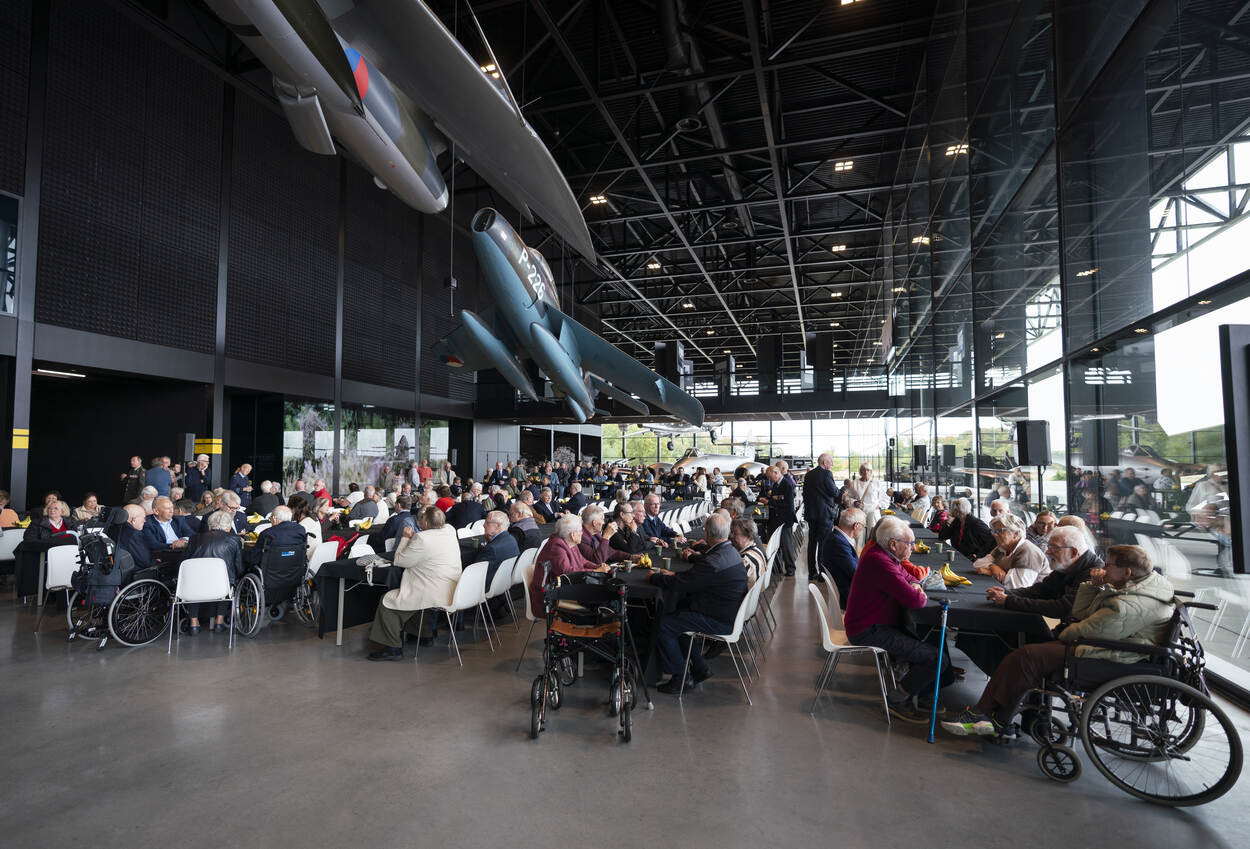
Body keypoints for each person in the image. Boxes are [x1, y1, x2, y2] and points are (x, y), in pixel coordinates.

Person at [943, 545, 1175, 739]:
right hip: (1112, 644)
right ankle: (997, 719)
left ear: (1126, 573)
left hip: (1110, 654)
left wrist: (1063, 633)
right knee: (1026, 657)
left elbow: (1084, 627)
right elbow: (1081, 612)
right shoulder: (1144, 587)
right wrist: (1092, 587)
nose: (1103, 568)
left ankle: (986, 714)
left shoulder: (1125, 606)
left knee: (1026, 657)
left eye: (1109, 565)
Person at [844, 517, 953, 723]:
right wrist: (917, 589)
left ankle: (923, 694)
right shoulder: (879, 562)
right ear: (893, 544)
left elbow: (912, 579)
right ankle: (897, 699)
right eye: (909, 543)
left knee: (932, 638)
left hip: (876, 623)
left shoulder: (886, 557)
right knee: (937, 658)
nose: (913, 547)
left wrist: (915, 586)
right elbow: (917, 600)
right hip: (868, 629)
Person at [650, 514, 749, 694]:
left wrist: (656, 578)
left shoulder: (713, 562)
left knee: (665, 625)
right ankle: (699, 667)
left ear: (707, 533)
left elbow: (683, 584)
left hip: (719, 619)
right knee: (680, 612)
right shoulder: (730, 552)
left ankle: (680, 678)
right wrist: (678, 576)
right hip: (729, 612)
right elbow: (696, 578)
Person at [366, 507, 463, 660]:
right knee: (416, 602)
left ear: (425, 522)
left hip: (432, 589)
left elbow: (399, 561)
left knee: (388, 601)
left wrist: (405, 538)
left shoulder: (422, 539)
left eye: (421, 519)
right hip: (452, 586)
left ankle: (393, 647)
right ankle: (423, 634)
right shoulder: (450, 530)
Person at [529, 515, 610, 618]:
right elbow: (567, 573)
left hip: (564, 590)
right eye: (580, 531)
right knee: (600, 598)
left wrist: (598, 566)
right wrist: (596, 571)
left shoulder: (570, 543)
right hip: (550, 598)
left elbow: (583, 561)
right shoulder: (556, 547)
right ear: (572, 534)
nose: (582, 533)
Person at [182, 510, 244, 634]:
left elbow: (184, 562)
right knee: (226, 581)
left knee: (193, 579)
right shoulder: (234, 539)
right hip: (222, 585)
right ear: (228, 526)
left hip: (194, 584)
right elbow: (238, 565)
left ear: (210, 524)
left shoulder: (194, 539)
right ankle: (219, 622)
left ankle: (194, 623)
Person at [973, 513, 1050, 589]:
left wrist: (989, 573)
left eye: (1000, 531)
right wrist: (992, 566)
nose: (995, 535)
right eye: (994, 531)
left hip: (1031, 599)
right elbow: (977, 564)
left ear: (1016, 533)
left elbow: (1017, 587)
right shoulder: (1002, 547)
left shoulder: (1028, 552)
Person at [802, 452, 840, 584]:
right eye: (831, 462)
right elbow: (834, 492)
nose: (832, 465)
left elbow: (804, 494)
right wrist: (840, 491)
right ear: (824, 463)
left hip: (811, 514)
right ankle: (822, 574)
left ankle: (811, 572)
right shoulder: (826, 474)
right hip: (824, 515)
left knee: (812, 543)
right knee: (823, 544)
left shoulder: (809, 475)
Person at [819, 508, 864, 610]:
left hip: (847, 589)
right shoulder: (837, 542)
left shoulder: (837, 538)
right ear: (856, 525)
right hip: (849, 596)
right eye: (863, 526)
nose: (862, 530)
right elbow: (855, 574)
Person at [761, 465, 797, 575]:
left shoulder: (787, 484)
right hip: (776, 519)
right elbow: (776, 499)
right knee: (777, 545)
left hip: (785, 519)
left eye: (770, 476)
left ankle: (790, 569)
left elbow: (788, 504)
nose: (769, 479)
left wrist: (769, 502)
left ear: (776, 473)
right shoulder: (776, 484)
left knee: (787, 546)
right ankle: (777, 567)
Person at [479, 510, 520, 590]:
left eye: (487, 523)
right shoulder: (511, 539)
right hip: (504, 583)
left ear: (497, 526)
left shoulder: (492, 548)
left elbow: (476, 572)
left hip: (488, 586)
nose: (483, 525)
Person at [845, 463, 886, 534]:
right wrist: (854, 502)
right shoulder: (854, 483)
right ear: (860, 472)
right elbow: (847, 497)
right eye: (863, 470)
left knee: (872, 536)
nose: (866, 472)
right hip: (858, 514)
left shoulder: (876, 483)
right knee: (859, 537)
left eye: (868, 470)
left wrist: (878, 506)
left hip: (873, 514)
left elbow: (885, 498)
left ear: (871, 472)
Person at [729, 516, 766, 588]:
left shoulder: (745, 560)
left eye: (735, 533)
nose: (731, 536)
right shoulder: (757, 550)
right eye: (732, 533)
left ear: (748, 535)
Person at [117, 504, 156, 569]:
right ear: (133, 520)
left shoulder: (114, 528)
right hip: (136, 574)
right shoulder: (134, 534)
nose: (145, 521)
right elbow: (145, 562)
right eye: (143, 518)